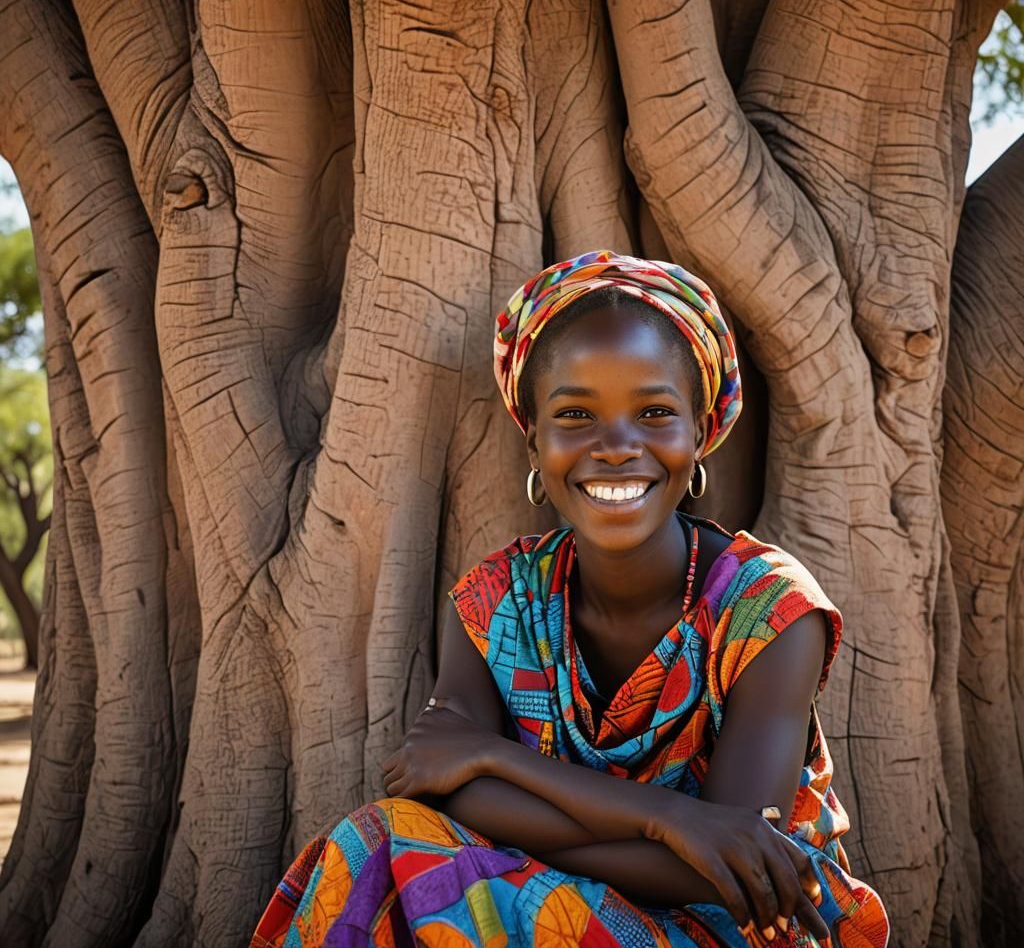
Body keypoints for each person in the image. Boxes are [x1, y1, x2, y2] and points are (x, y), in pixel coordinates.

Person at [250, 250, 890, 947]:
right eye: (576, 415)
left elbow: (733, 870)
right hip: (540, 903)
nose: (616, 446)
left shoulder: (767, 612)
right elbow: (444, 788)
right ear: (534, 442)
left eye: (653, 412)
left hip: (732, 929)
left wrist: (501, 760)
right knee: (375, 839)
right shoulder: (498, 601)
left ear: (701, 434)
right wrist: (672, 819)